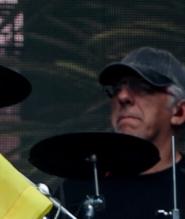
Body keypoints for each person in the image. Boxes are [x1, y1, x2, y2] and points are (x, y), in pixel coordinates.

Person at [60, 47, 185, 217]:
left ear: (179, 112)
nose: (122, 96)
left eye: (142, 87)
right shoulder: (78, 192)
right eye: (116, 88)